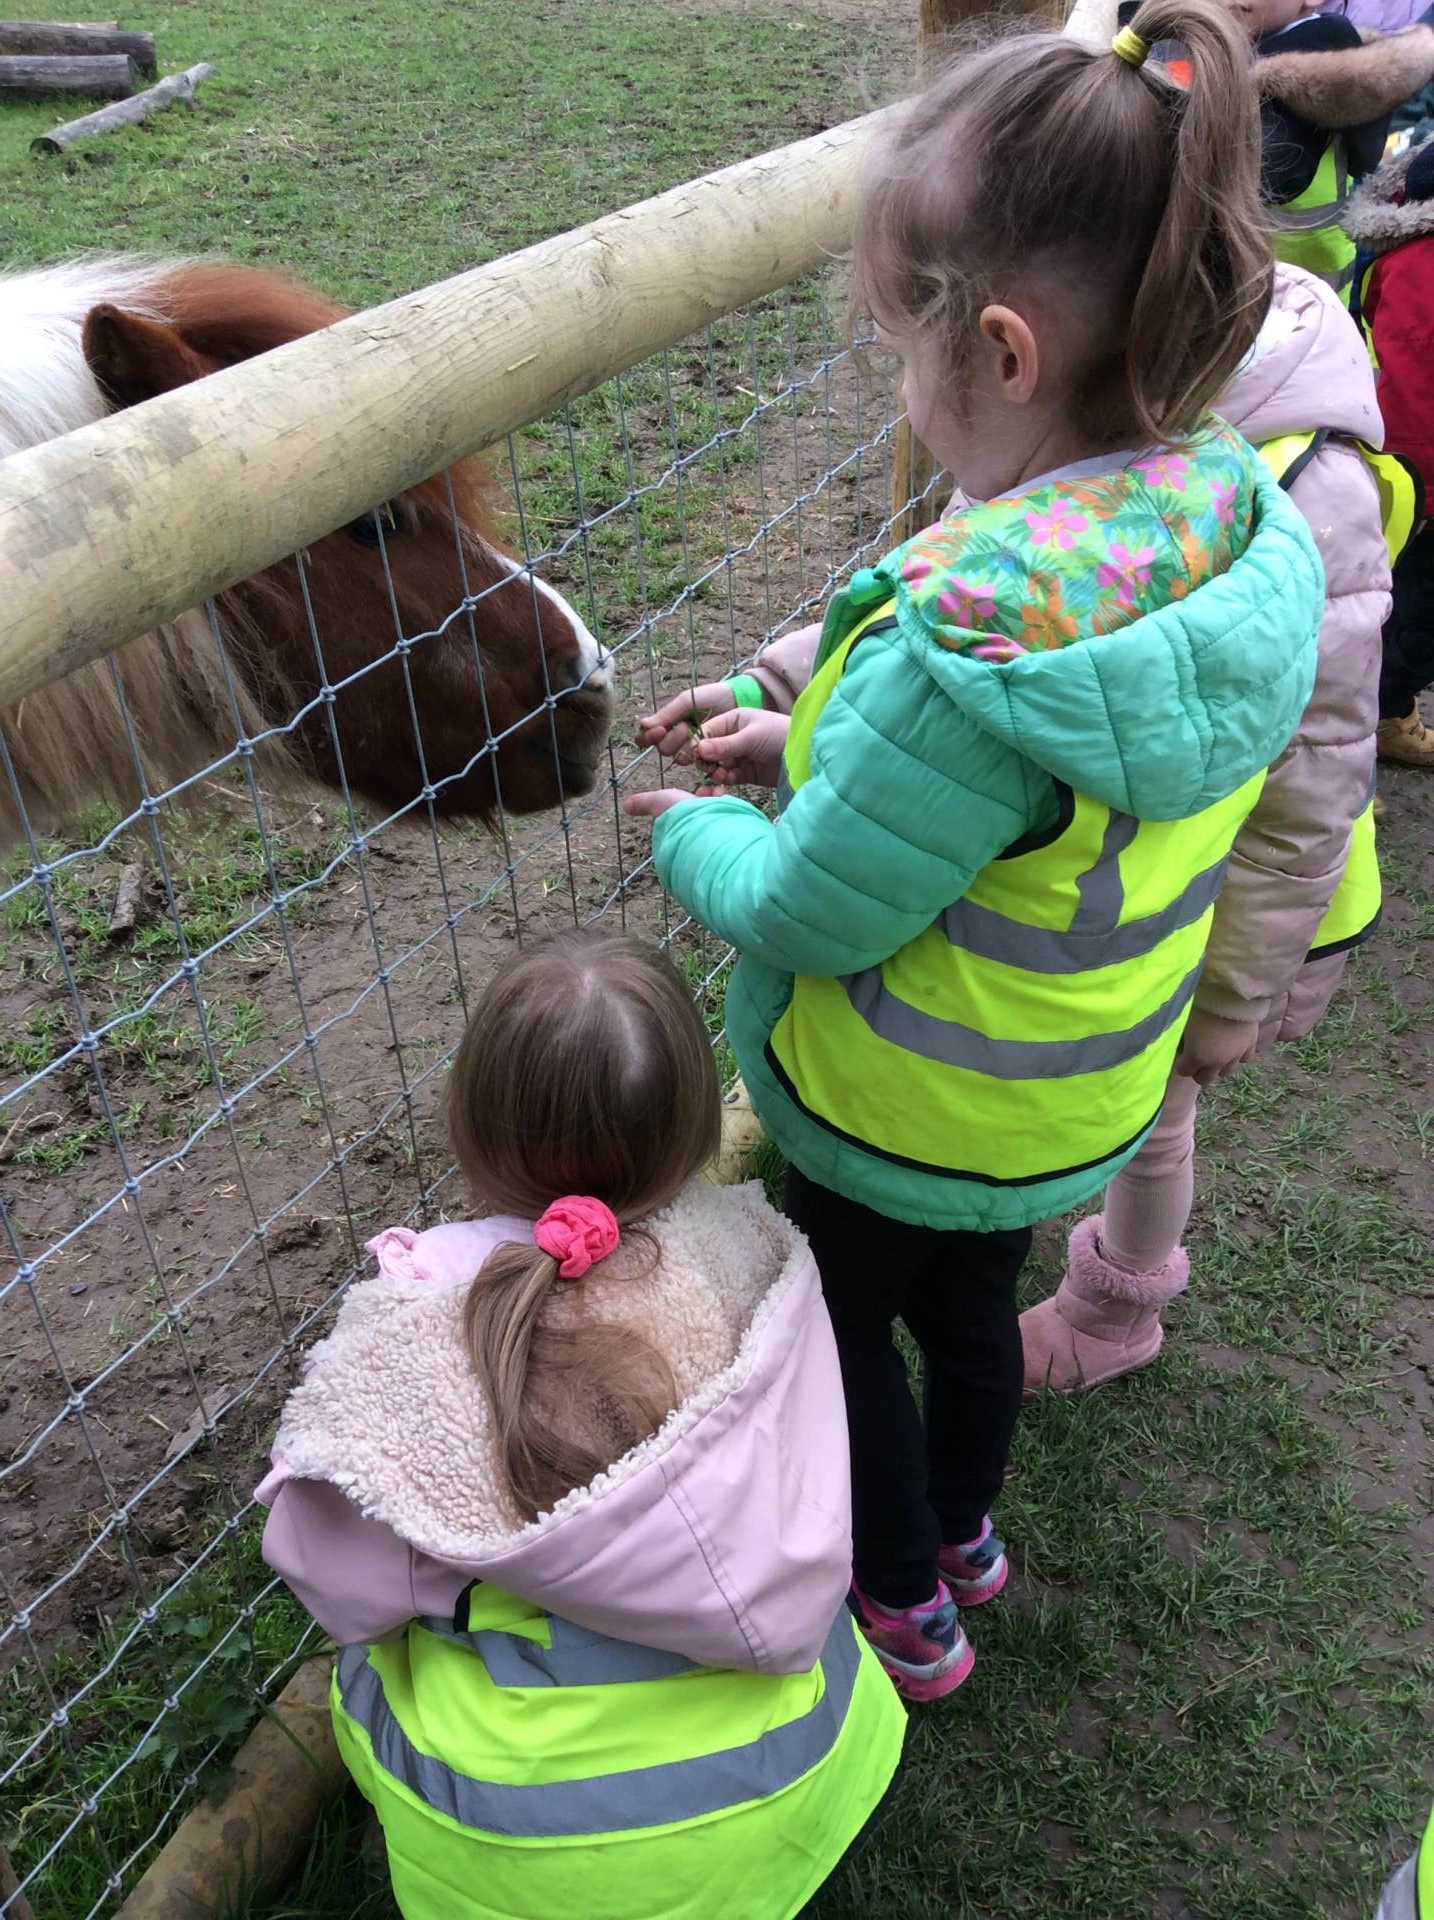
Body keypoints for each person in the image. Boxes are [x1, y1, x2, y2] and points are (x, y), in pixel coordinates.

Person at [624, 0, 1326, 1701]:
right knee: (965, 1316)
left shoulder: (968, 659)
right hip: (1062, 1097)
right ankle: (965, 1533)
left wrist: (700, 835)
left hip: (898, 1111)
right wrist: (799, 738)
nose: (894, 379)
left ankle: (900, 1600)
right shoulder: (1224, 526)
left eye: (895, 344)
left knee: (843, 1334)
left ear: (1001, 355)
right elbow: (1028, 810)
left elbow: (813, 903)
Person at [258, 929, 906, 1920]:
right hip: (800, 1763)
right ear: (695, 1131)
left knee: (368, 1665)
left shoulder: (408, 1328)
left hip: (527, 1840)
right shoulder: (758, 1260)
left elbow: (343, 1587)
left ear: (471, 1130)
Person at [1021, 263, 1396, 1391]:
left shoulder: (1310, 486)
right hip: (1145, 859)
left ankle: (1115, 1310)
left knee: (1162, 1103)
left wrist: (1236, 992)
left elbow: (1317, 771)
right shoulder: (1094, 389)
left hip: (1238, 896)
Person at [1347, 132, 1434, 766]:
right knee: (1418, 604)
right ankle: (1381, 712)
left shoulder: (1396, 258)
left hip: (1390, 453)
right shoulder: (1421, 268)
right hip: (1422, 463)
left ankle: (1377, 704)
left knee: (1388, 584)